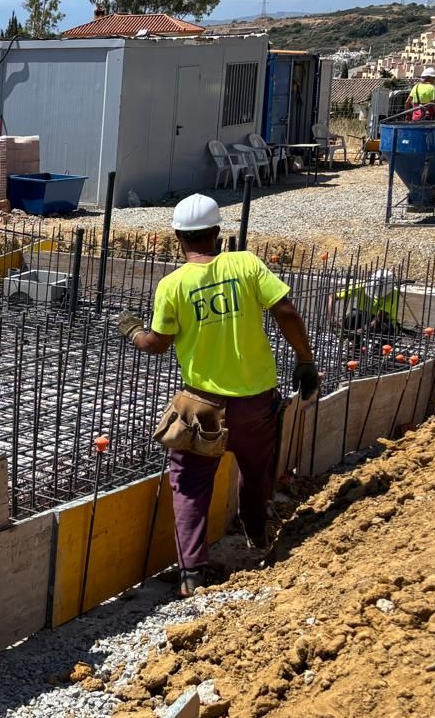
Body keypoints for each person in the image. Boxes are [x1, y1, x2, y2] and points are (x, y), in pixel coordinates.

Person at [116, 195, 318, 596]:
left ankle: (192, 573)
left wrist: (134, 332)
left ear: (178, 237)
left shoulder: (173, 285)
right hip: (257, 402)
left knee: (190, 484)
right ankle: (257, 533)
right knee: (257, 469)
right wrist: (305, 362)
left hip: (203, 408)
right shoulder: (245, 264)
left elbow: (158, 343)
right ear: (218, 234)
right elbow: (288, 313)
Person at [329, 269, 402, 343]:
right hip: (365, 317)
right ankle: (354, 345)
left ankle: (377, 351)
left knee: (386, 328)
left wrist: (360, 331)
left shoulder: (393, 293)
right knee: (352, 316)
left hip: (383, 321)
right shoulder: (362, 285)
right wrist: (331, 317)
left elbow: (379, 318)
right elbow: (332, 297)